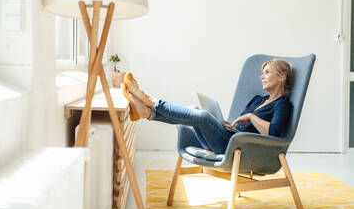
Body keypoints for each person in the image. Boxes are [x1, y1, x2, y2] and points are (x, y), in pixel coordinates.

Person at [121, 59, 293, 154]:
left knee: (201, 116)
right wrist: (224, 123)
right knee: (194, 109)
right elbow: (241, 127)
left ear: (281, 77)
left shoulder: (282, 104)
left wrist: (251, 117)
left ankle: (150, 101)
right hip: (230, 139)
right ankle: (147, 113)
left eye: (267, 72)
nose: (262, 77)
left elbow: (275, 133)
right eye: (262, 73)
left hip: (239, 149)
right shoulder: (257, 100)